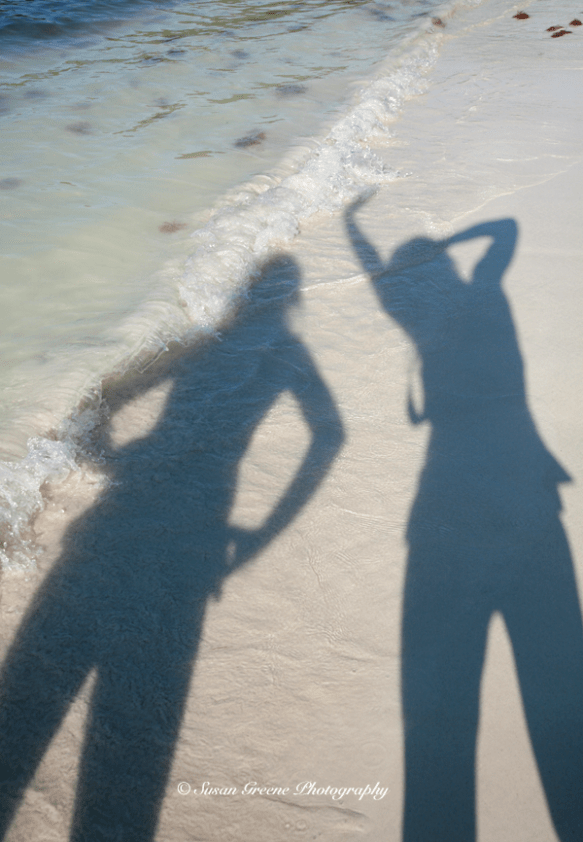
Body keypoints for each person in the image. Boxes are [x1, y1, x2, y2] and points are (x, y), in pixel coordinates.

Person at [0, 255, 344, 842]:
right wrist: (261, 535)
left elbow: (111, 390)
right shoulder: (289, 354)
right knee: (129, 742)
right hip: (201, 531)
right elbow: (329, 435)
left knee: (24, 706)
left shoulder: (200, 342)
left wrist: (97, 451)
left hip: (115, 521)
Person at [346, 203, 583, 841]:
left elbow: (375, 275)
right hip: (530, 494)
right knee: (562, 696)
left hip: (449, 499)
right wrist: (446, 240)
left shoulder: (419, 321)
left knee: (439, 720)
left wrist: (353, 223)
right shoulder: (486, 294)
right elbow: (507, 230)